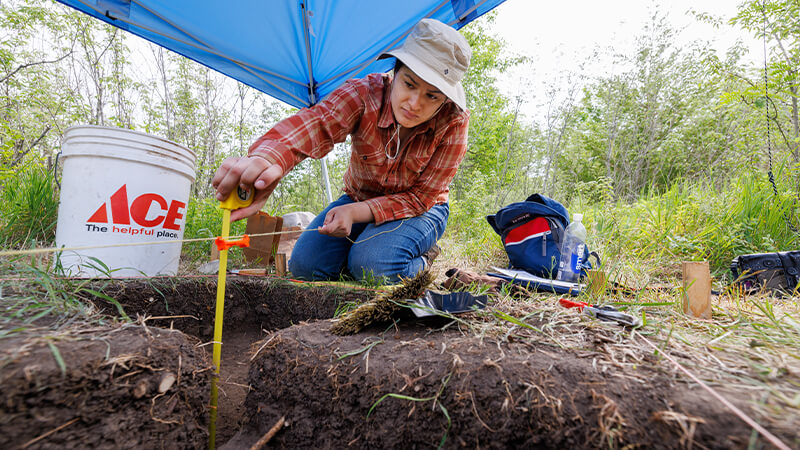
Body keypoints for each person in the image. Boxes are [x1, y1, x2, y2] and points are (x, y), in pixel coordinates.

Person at [212, 18, 471, 283]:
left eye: (432, 96)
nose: (415, 104)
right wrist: (267, 158)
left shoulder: (454, 122)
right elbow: (318, 122)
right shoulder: (364, 94)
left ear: (445, 100)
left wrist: (355, 214)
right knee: (306, 265)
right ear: (395, 73)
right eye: (410, 84)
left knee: (374, 266)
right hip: (359, 196)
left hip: (421, 209)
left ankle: (420, 260)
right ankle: (366, 252)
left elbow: (419, 198)